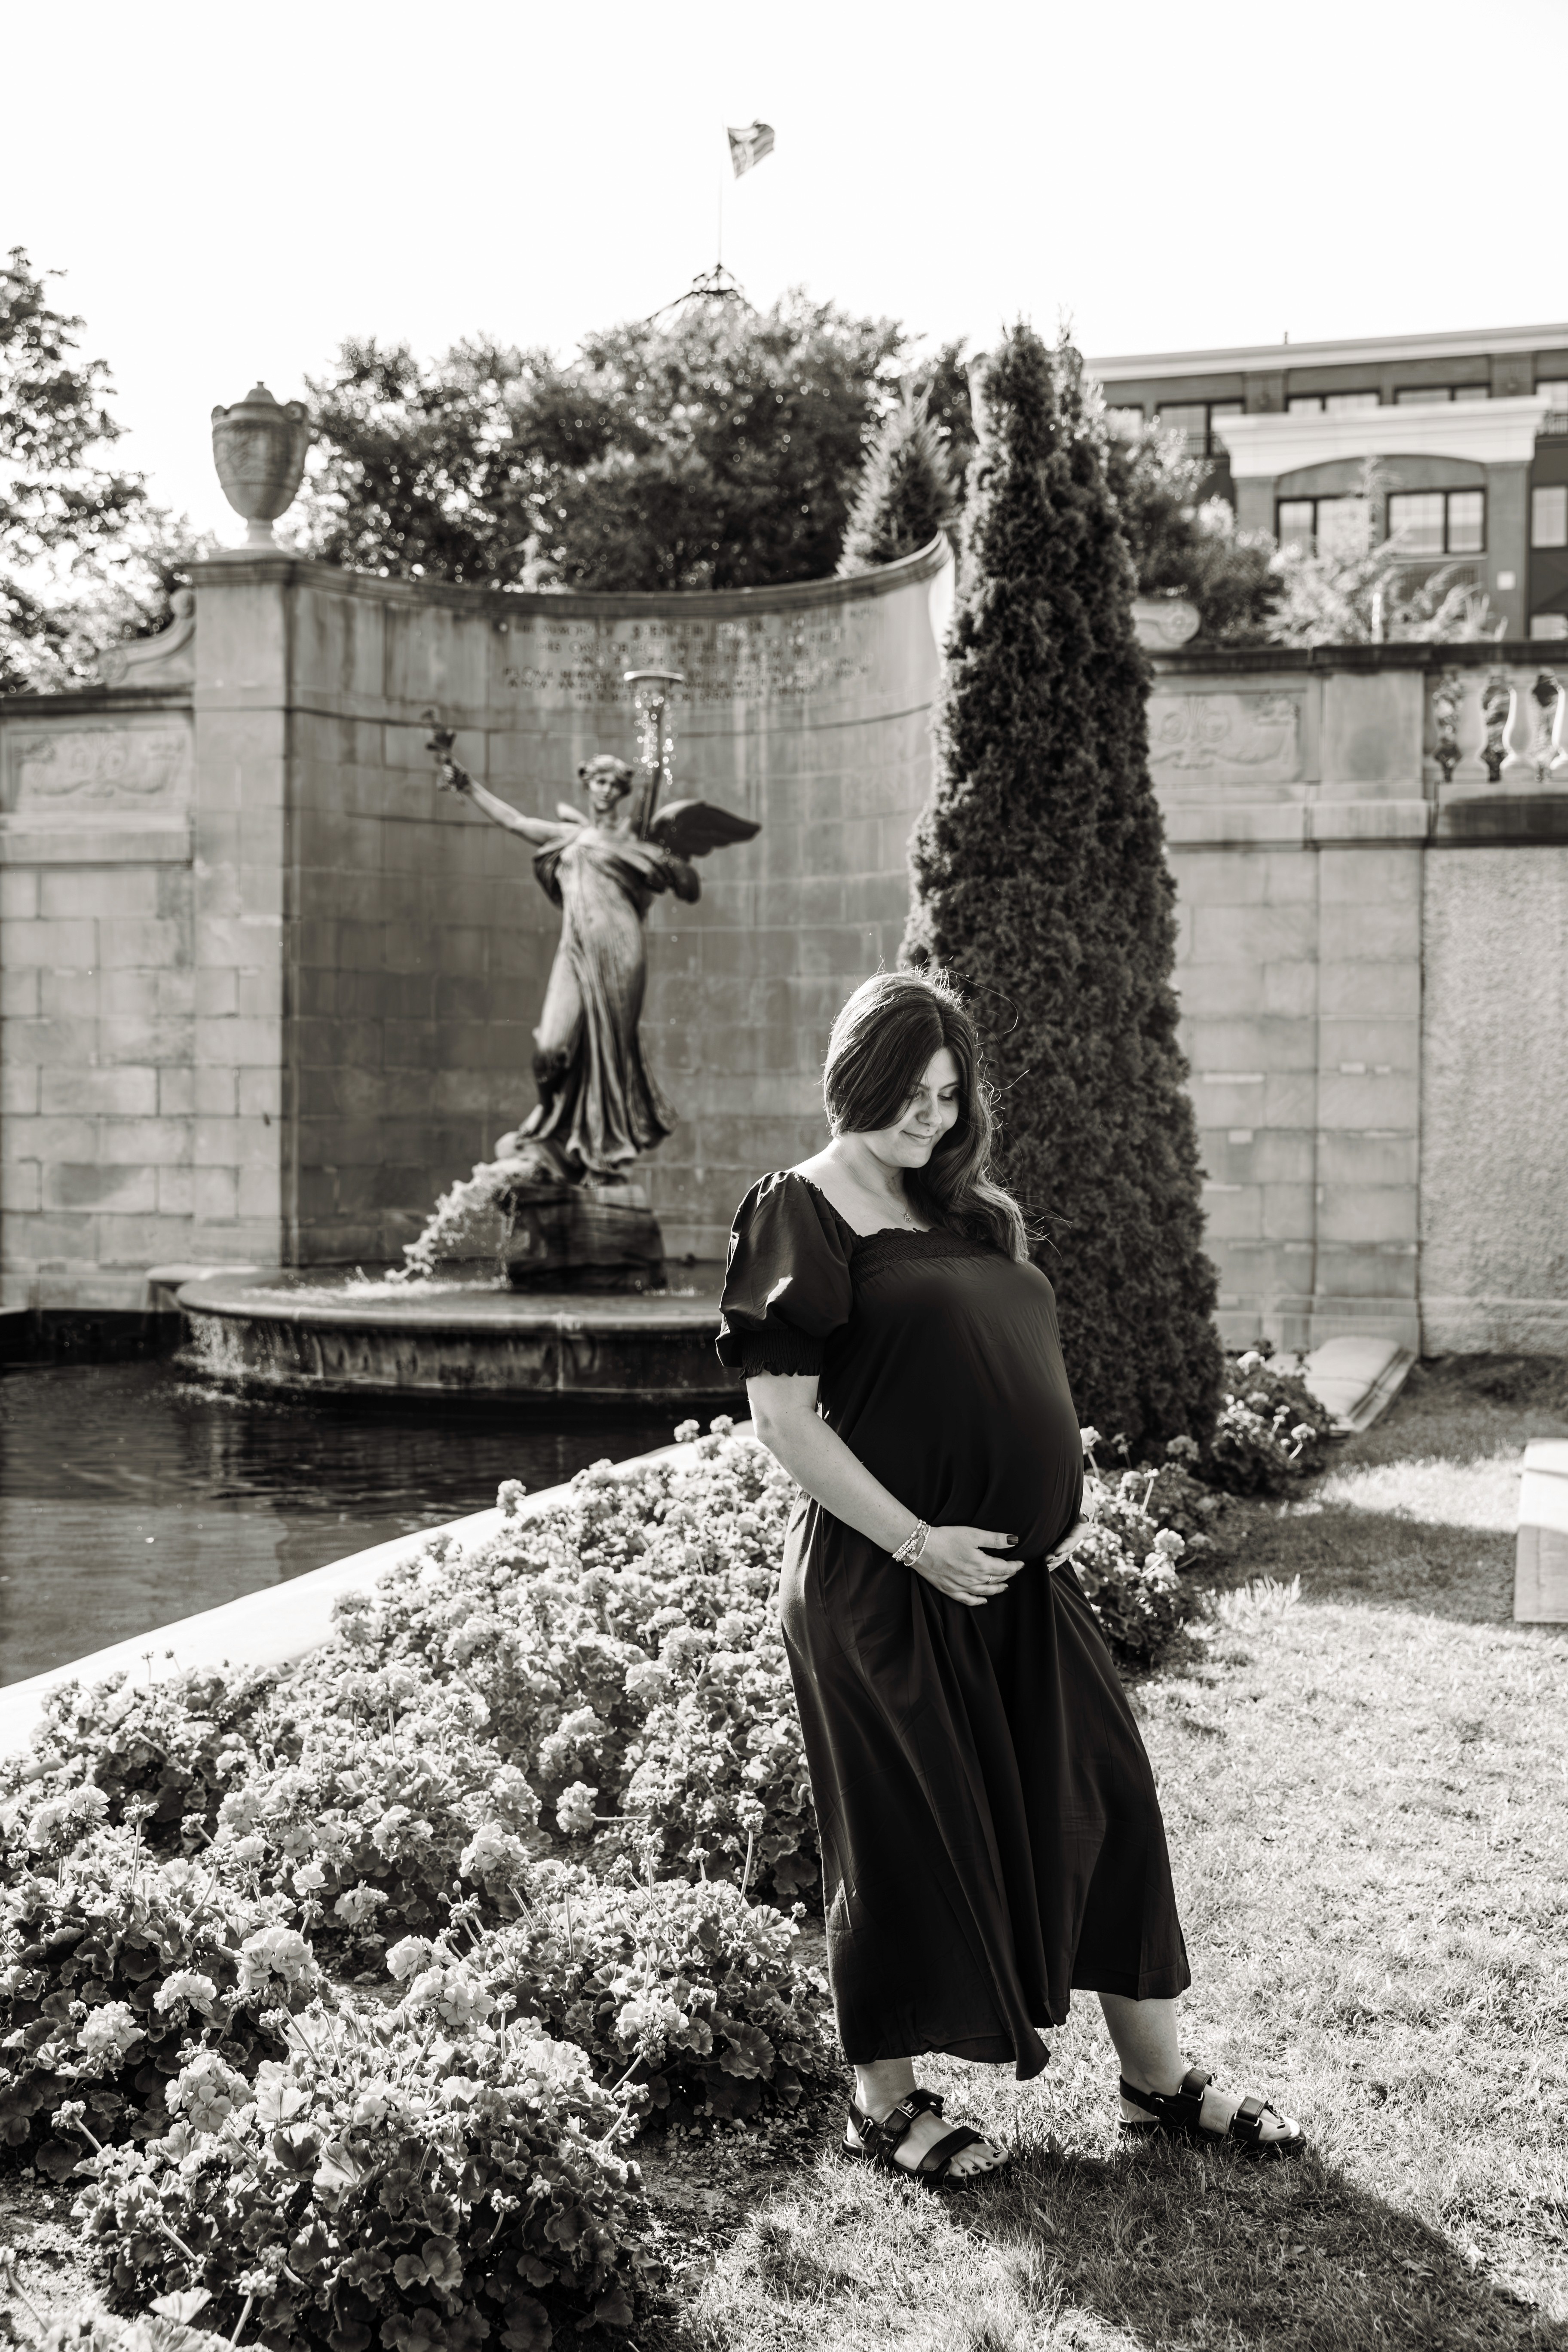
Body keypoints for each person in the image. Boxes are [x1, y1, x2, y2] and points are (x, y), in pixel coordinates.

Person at [716, 969, 1304, 2185]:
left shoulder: (970, 1214)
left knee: (1107, 1804)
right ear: (852, 1079)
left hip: (1018, 1586)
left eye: (948, 1094)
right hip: (885, 1585)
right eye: (907, 1094)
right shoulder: (803, 1210)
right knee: (900, 1833)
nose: (931, 1117)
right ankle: (883, 2105)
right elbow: (784, 1421)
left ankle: (1156, 2083)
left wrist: (1059, 1496)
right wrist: (920, 1541)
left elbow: (1008, 1363)